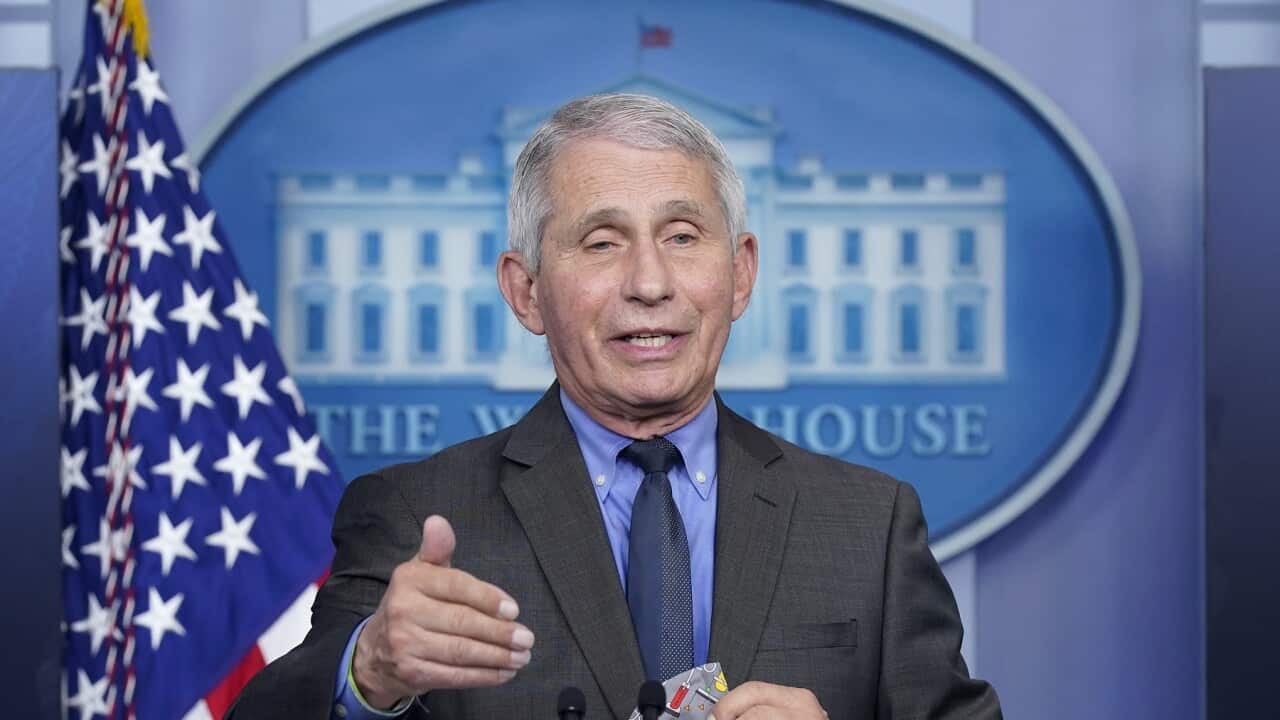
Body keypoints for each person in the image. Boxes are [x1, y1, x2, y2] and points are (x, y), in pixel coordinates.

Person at [230, 93, 1001, 719]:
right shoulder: (416, 514)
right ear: (525, 290)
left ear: (739, 275)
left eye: (682, 235)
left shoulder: (870, 525)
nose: (650, 283)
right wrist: (369, 672)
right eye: (602, 242)